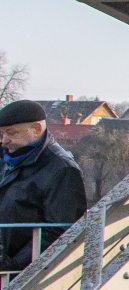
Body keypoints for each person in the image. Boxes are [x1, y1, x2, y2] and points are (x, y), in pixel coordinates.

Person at [0, 100, 87, 274]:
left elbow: (61, 230)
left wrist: (12, 266)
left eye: (10, 133)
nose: (4, 140)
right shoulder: (6, 158)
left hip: (21, 276)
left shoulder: (62, 169)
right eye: (1, 133)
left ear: (36, 129)